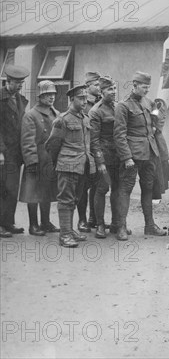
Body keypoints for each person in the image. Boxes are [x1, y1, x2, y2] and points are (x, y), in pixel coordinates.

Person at [113, 71, 166, 241]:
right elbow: (119, 134)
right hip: (133, 156)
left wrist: (158, 119)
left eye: (148, 87)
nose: (147, 90)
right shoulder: (123, 106)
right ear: (134, 85)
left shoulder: (149, 103)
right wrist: (126, 157)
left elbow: (157, 122)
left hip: (150, 153)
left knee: (148, 189)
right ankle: (121, 227)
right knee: (125, 189)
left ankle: (149, 226)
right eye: (144, 87)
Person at [45, 84, 96, 248]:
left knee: (75, 198)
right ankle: (64, 235)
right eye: (81, 98)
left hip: (82, 165)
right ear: (72, 99)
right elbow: (52, 145)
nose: (84, 101)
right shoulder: (62, 120)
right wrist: (59, 162)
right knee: (65, 200)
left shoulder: (85, 118)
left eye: (86, 98)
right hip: (67, 165)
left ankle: (70, 229)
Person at [19, 80, 60, 236]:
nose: (51, 97)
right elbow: (27, 141)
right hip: (37, 158)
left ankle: (46, 222)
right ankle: (33, 224)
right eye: (47, 94)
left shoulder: (55, 112)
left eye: (53, 94)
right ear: (39, 96)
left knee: (47, 191)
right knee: (33, 193)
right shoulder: (30, 115)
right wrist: (31, 161)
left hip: (51, 158)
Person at [89, 76, 128, 239]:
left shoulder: (119, 107)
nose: (113, 92)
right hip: (105, 157)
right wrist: (100, 162)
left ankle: (117, 225)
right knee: (102, 189)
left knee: (118, 191)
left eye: (114, 88)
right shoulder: (96, 111)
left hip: (119, 156)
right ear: (101, 91)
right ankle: (99, 224)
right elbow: (94, 140)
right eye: (109, 89)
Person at [0, 65, 30, 238]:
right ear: (8, 81)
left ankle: (8, 222)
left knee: (12, 188)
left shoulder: (19, 99)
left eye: (22, 82)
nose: (20, 85)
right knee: (2, 188)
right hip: (4, 153)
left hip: (16, 153)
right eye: (17, 83)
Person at [76, 71, 102, 232]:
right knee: (82, 187)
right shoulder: (83, 103)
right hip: (85, 150)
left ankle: (94, 217)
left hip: (98, 149)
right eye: (96, 85)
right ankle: (82, 220)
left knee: (97, 186)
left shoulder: (101, 102)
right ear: (87, 86)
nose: (99, 88)